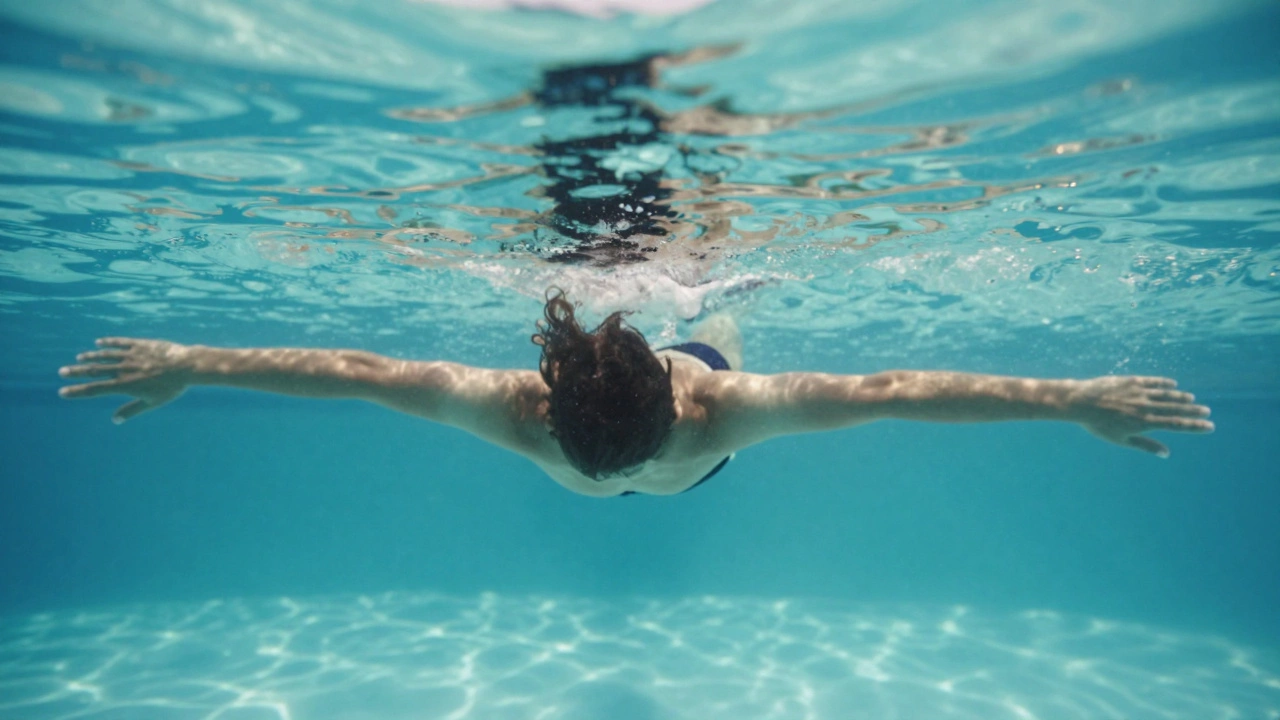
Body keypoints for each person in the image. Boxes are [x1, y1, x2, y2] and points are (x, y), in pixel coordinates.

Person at [58, 291, 1213, 498]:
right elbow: (359, 375)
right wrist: (193, 361)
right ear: (544, 404)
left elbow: (897, 387)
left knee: (718, 323)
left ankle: (709, 298)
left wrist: (1070, 399)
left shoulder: (728, 407)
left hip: (692, 398)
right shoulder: (509, 404)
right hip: (638, 432)